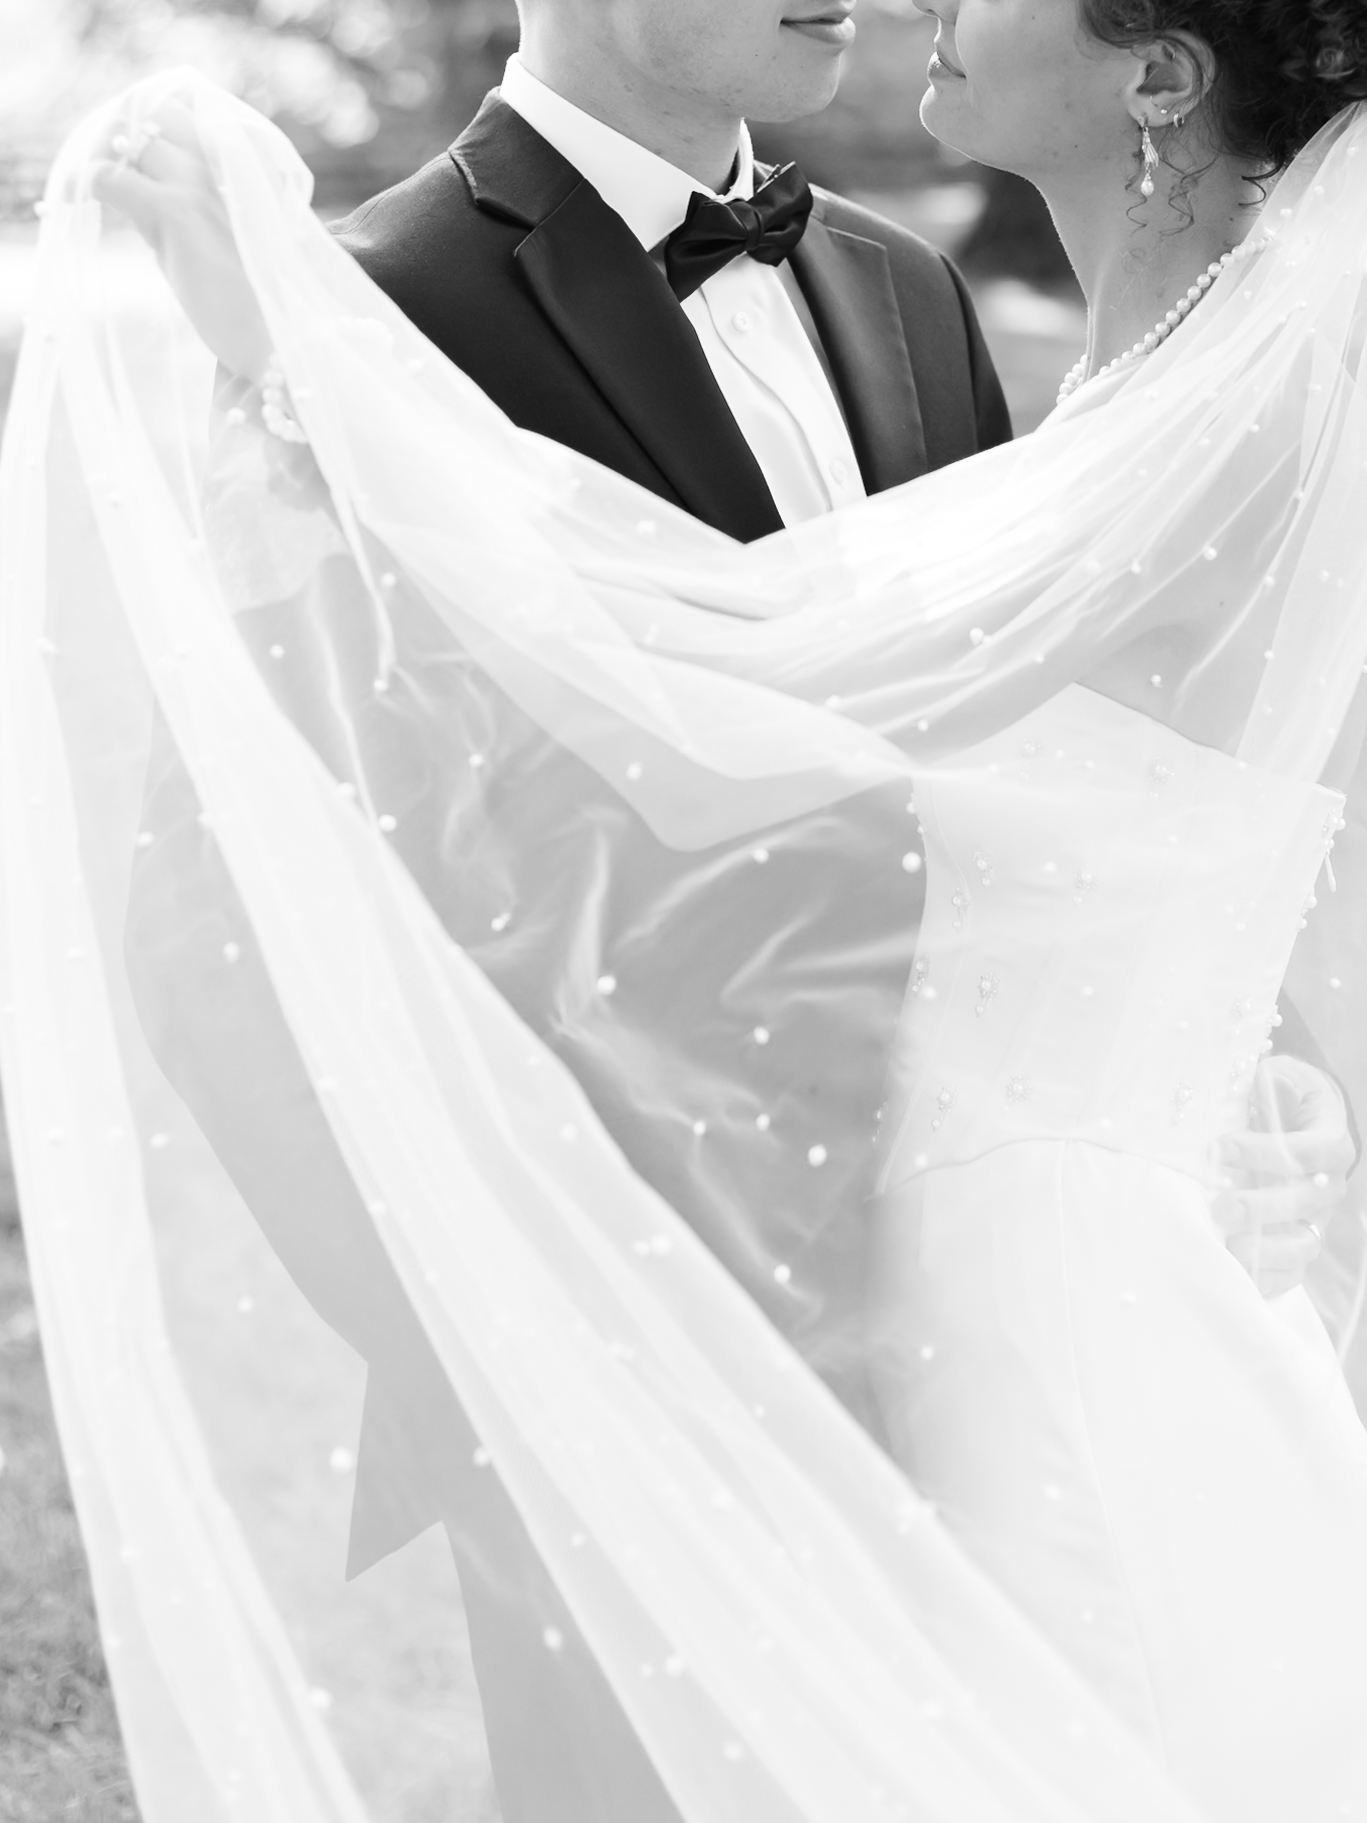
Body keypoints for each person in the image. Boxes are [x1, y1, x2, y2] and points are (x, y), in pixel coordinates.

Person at [6, 2, 1367, 1819]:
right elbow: (216, 939)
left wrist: (1268, 1078)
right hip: (627, 1390)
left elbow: (853, 725)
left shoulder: (917, 296)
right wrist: (528, 1341)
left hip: (1024, 1321)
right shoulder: (381, 301)